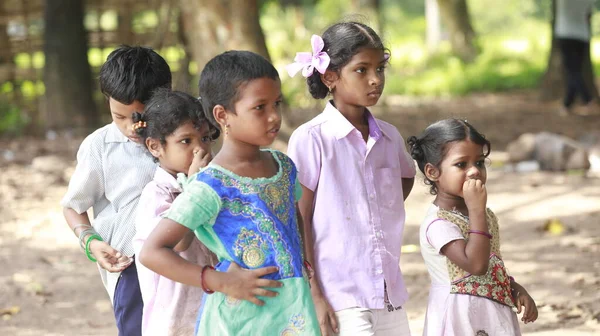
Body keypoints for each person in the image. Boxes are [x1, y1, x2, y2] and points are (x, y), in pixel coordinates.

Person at [139, 50, 319, 335]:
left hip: (294, 311)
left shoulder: (283, 167)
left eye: (277, 104)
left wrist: (305, 269)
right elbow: (151, 252)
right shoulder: (209, 185)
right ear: (222, 115)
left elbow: (295, 219)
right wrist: (219, 281)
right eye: (260, 107)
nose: (274, 117)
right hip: (240, 320)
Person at [286, 22, 416, 336]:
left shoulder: (389, 137)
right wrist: (314, 295)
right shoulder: (311, 140)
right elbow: (298, 218)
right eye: (361, 70)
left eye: (380, 68)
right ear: (330, 76)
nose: (375, 79)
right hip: (338, 293)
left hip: (388, 292)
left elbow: (403, 181)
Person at [61, 45, 171, 336]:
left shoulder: (183, 138)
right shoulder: (100, 147)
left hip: (181, 260)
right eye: (118, 116)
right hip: (130, 267)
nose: (130, 128)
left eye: (138, 117)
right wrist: (91, 242)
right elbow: (73, 206)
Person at [408, 119, 538, 336]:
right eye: (461, 164)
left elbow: (492, 261)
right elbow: (476, 265)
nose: (474, 172)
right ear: (432, 172)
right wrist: (477, 210)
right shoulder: (439, 224)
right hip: (460, 316)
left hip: (491, 310)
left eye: (479, 162)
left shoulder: (484, 214)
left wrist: (514, 288)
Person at [131, 88, 220, 336]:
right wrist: (194, 187)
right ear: (155, 146)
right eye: (186, 141)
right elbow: (180, 241)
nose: (199, 149)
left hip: (215, 312)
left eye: (205, 138)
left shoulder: (214, 184)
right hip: (174, 321)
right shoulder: (157, 194)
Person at [555, 0, 598, 116]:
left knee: (572, 71)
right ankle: (567, 104)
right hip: (582, 35)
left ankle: (587, 98)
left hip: (566, 34)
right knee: (575, 70)